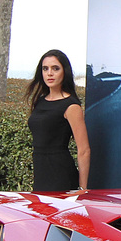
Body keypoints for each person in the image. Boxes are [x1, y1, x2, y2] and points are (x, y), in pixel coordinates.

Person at [26, 49, 90, 192]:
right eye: (45, 68)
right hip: (41, 175)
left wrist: (82, 188)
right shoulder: (40, 101)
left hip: (61, 175)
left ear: (64, 72)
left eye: (55, 68)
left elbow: (84, 150)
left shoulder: (71, 106)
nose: (49, 73)